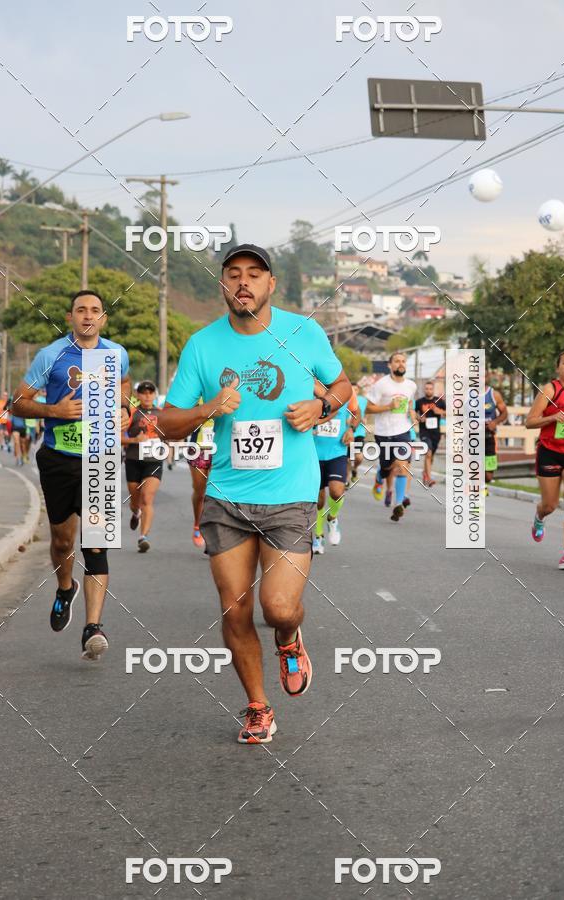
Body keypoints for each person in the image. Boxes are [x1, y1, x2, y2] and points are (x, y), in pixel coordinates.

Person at [158, 244, 352, 744]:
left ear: (272, 285)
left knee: (280, 608)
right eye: (233, 274)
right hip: (227, 496)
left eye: (254, 275)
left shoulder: (303, 332)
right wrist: (207, 409)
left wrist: (321, 405)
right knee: (235, 608)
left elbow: (343, 384)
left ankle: (289, 641)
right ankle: (257, 706)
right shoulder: (202, 346)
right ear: (222, 285)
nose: (243, 282)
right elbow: (166, 423)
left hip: (289, 494)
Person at [12, 290, 131, 659]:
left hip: (102, 457)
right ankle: (66, 588)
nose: (88, 316)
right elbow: (17, 402)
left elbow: (124, 386)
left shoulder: (116, 354)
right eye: (81, 310)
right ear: (70, 317)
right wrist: (55, 411)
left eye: (96, 310)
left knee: (96, 543)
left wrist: (125, 409)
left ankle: (93, 627)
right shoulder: (51, 355)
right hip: (59, 458)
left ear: (103, 319)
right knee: (64, 541)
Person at [526, 350, 564, 570]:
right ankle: (540, 516)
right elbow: (530, 422)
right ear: (557, 368)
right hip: (549, 451)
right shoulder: (550, 390)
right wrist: (553, 417)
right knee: (550, 505)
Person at [366, 352, 419, 522]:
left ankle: (398, 504)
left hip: (403, 431)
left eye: (403, 361)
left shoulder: (411, 386)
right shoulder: (381, 385)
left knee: (402, 465)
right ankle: (379, 477)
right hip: (383, 433)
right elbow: (369, 408)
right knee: (387, 467)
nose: (401, 364)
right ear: (390, 365)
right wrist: (388, 406)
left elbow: (410, 403)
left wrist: (411, 412)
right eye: (397, 361)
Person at [312, 385, 356, 553]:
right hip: (314, 453)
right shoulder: (308, 390)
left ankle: (332, 517)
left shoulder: (344, 391)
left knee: (337, 491)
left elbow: (356, 413)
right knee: (318, 500)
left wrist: (351, 429)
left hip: (337, 451)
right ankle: (318, 536)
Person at [123, 381, 163, 553]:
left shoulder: (162, 414)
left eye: (150, 392)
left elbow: (173, 434)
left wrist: (170, 447)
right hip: (133, 460)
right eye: (143, 392)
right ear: (137, 395)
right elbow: (115, 437)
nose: (147, 395)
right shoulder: (131, 413)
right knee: (135, 501)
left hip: (154, 461)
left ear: (155, 395)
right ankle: (135, 512)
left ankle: (143, 536)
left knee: (147, 498)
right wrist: (134, 440)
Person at [187, 411, 215, 549]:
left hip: (220, 448)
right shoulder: (198, 394)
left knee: (217, 492)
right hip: (198, 447)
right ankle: (198, 524)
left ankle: (213, 532)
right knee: (200, 492)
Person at [415, 381, 446, 487]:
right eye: (427, 388)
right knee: (428, 453)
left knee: (431, 456)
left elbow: (450, 413)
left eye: (430, 389)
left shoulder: (440, 401)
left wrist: (439, 411)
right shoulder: (419, 402)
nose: (428, 390)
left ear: (433, 390)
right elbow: (413, 413)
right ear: (424, 390)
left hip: (436, 433)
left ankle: (425, 473)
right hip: (424, 432)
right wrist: (419, 417)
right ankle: (429, 477)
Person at [484, 371, 508, 494]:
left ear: (487, 377)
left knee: (488, 476)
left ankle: (481, 485)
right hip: (471, 437)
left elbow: (505, 413)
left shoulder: (494, 394)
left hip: (489, 437)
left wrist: (495, 422)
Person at [347, 382, 368, 484]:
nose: (354, 392)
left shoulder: (363, 400)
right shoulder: (344, 399)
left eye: (356, 390)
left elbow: (366, 412)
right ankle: (346, 481)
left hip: (359, 432)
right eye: (352, 390)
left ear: (358, 391)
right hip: (346, 432)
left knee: (358, 456)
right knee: (347, 458)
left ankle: (354, 468)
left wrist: (364, 419)